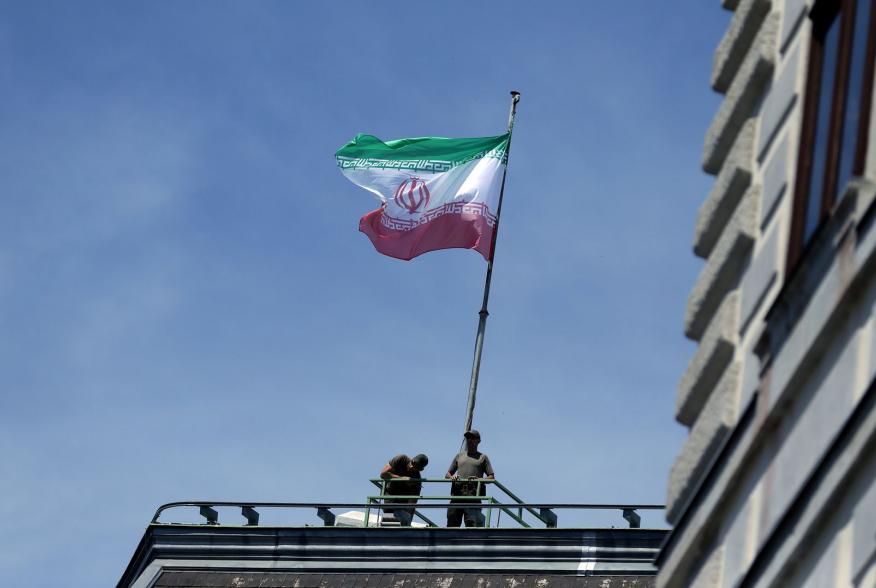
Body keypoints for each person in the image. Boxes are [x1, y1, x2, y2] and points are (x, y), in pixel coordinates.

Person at [445, 429, 494, 527]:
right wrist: (452, 477)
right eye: (467, 438)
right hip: (457, 495)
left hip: (473, 497)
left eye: (472, 438)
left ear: (478, 440)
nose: (469, 440)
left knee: (472, 526)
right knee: (452, 524)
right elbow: (447, 474)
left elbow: (491, 477)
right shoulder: (459, 456)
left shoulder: (483, 457)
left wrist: (480, 480)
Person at [379, 453, 428, 526]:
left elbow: (412, 504)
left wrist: (408, 520)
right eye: (412, 463)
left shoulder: (416, 480)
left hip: (402, 503)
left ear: (420, 469)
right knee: (388, 521)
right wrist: (401, 478)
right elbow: (383, 474)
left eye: (415, 467)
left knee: (401, 517)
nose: (411, 466)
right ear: (412, 460)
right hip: (390, 495)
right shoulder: (401, 459)